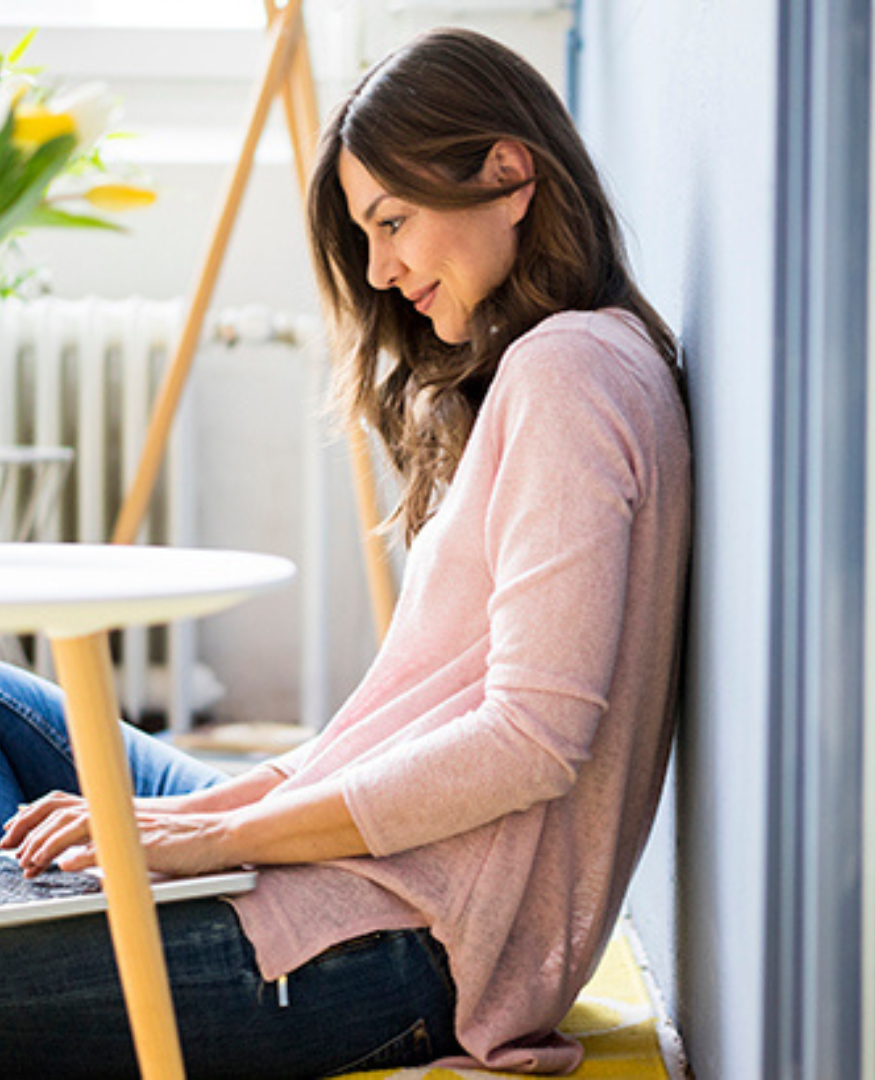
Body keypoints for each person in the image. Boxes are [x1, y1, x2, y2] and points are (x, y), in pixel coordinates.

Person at [0, 27, 691, 1078]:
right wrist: (190, 817)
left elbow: (531, 741)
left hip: (394, 945)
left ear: (511, 175)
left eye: (393, 221)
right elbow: (395, 731)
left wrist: (212, 842)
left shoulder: (571, 377)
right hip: (361, 875)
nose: (379, 270)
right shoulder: (579, 364)